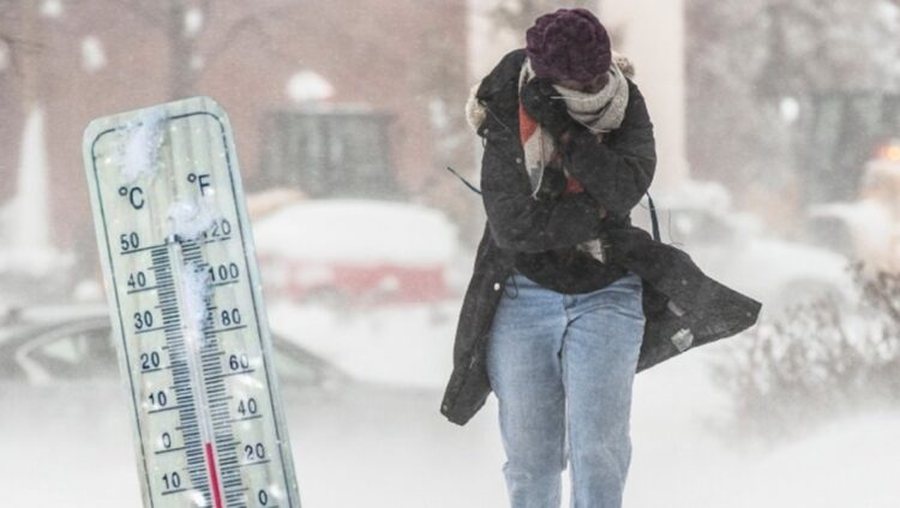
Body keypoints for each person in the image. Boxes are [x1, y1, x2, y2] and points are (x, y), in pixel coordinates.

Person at [440, 7, 763, 508]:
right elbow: (514, 226)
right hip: (522, 295)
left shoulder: (625, 102)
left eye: (594, 76)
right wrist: (598, 214)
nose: (589, 88)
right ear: (546, 75)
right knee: (531, 461)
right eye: (574, 80)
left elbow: (625, 185)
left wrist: (568, 138)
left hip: (608, 295)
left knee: (599, 454)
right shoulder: (506, 102)